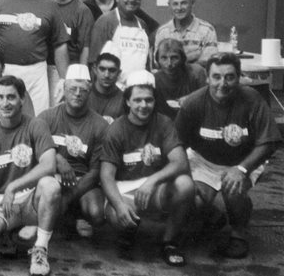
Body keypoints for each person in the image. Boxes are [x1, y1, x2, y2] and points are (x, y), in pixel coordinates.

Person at [174, 52, 282, 259]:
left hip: (242, 160)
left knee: (233, 189)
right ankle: (213, 216)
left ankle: (238, 232)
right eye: (216, 77)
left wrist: (242, 169)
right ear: (207, 78)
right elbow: (177, 144)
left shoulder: (252, 98)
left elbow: (270, 141)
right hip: (204, 161)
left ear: (239, 77)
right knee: (192, 198)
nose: (222, 84)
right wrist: (185, 175)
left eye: (229, 77)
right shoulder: (193, 102)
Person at [0, 75, 60, 276]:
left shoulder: (36, 125)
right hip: (1, 202)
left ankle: (40, 249)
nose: (5, 103)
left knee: (50, 186)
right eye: (0, 97)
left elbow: (49, 165)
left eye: (11, 97)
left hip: (30, 198)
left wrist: (13, 186)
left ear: (22, 99)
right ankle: (7, 232)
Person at [100, 70, 195, 267]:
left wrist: (152, 181)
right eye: (137, 100)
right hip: (124, 187)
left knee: (185, 184)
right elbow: (106, 176)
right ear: (128, 101)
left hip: (153, 185)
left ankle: (169, 242)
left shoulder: (163, 122)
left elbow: (180, 162)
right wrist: (119, 205)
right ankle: (127, 233)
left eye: (149, 100)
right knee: (117, 217)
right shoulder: (116, 129)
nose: (143, 105)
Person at [38, 65, 108, 238]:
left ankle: (72, 214)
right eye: (72, 89)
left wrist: (68, 197)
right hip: (53, 176)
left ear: (89, 92)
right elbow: (35, 149)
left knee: (96, 213)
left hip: (82, 180)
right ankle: (68, 220)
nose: (77, 94)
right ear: (64, 89)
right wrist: (57, 158)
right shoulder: (46, 117)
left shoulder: (100, 125)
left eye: (82, 90)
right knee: (47, 193)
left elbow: (95, 171)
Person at [88, 0, 151, 86]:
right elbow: (94, 62)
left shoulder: (142, 25)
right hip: (112, 89)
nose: (132, 0)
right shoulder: (105, 22)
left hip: (138, 88)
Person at [48, 0, 94, 104]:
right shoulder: (45, 6)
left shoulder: (82, 11)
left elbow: (85, 48)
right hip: (44, 69)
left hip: (70, 71)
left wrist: (81, 77)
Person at [154, 0, 218, 66]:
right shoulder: (162, 32)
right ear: (169, 6)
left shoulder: (207, 30)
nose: (179, 8)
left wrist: (175, 61)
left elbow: (209, 63)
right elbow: (158, 63)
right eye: (175, 4)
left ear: (192, 3)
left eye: (183, 3)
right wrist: (191, 57)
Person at [153, 38, 206, 119]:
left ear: (182, 58)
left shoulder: (196, 73)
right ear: (158, 60)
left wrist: (192, 99)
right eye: (164, 58)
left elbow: (208, 100)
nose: (169, 64)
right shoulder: (155, 80)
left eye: (174, 58)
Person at [87, 53, 124, 124]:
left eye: (112, 70)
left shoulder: (123, 100)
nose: (106, 75)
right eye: (102, 69)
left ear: (119, 73)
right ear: (95, 70)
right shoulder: (84, 93)